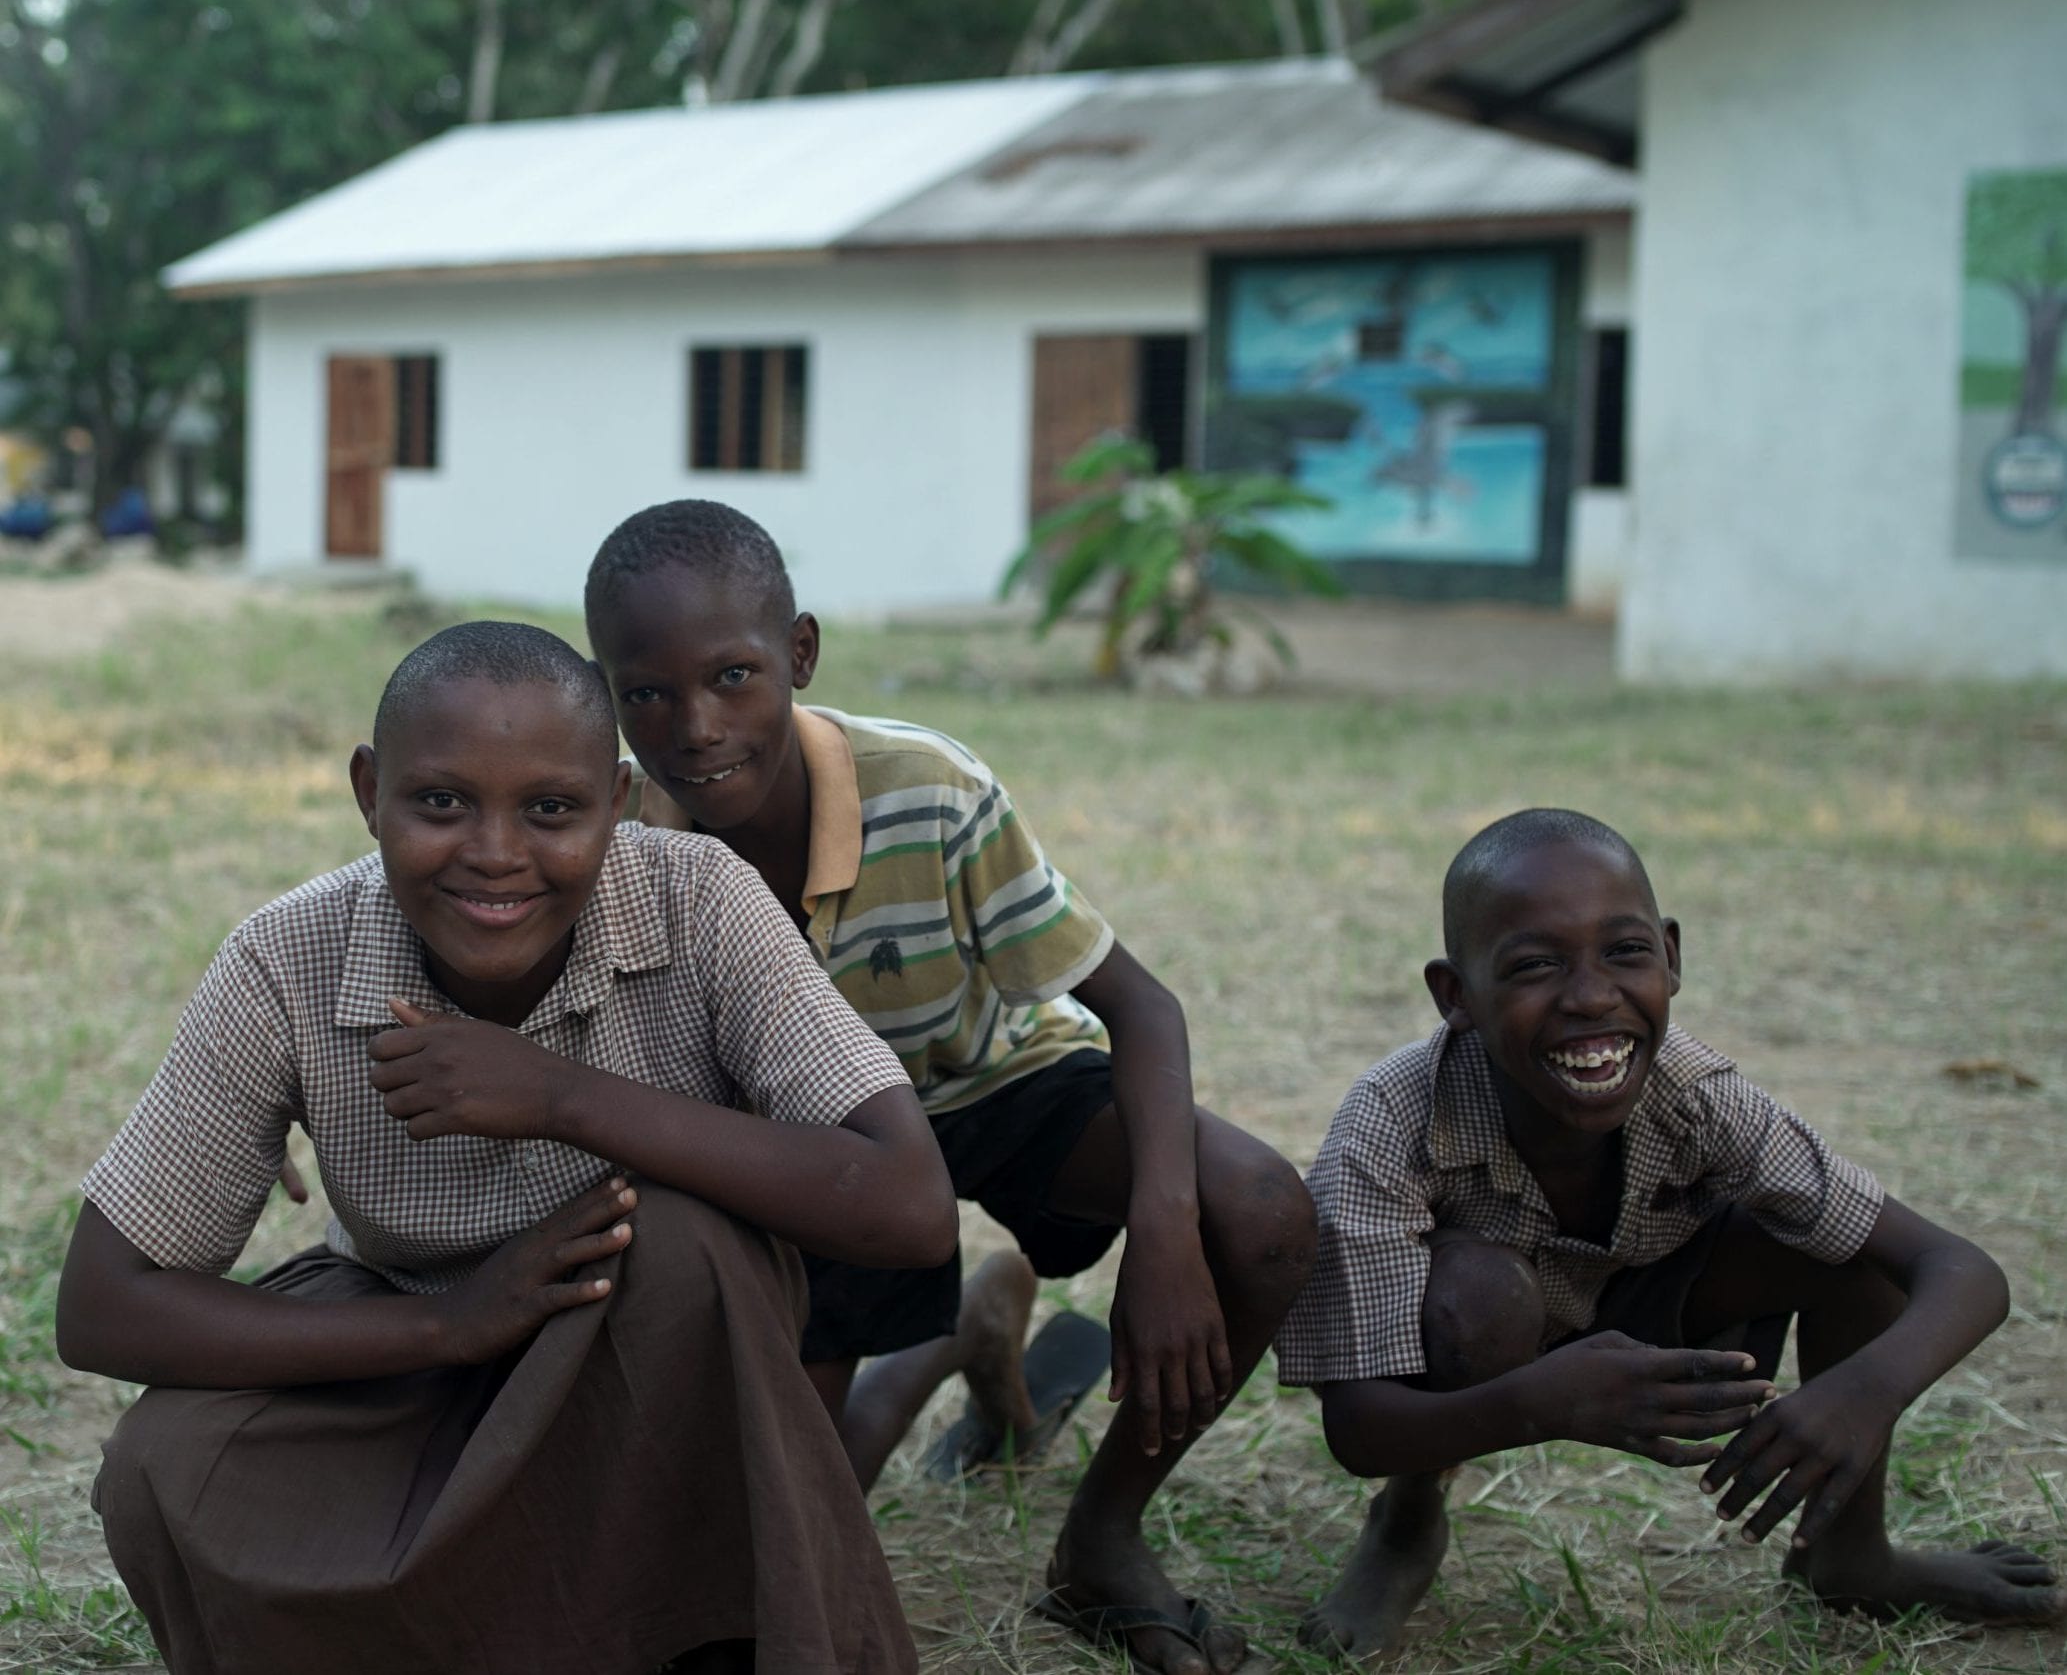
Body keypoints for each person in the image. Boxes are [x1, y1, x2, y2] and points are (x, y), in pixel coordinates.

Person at [57, 621, 957, 1675]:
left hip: (653, 1375)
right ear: (368, 790)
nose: (494, 853)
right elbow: (104, 1302)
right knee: (167, 1463)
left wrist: (560, 1097)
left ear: (616, 805)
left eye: (552, 809)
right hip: (415, 1351)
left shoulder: (702, 899)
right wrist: (449, 1324)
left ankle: (709, 1636)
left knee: (679, 1244)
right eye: (440, 802)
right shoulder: (287, 956)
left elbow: (907, 1205)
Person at [584, 500, 1317, 1675]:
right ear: (606, 694)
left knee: (1265, 1214)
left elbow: (1143, 1006)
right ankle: (957, 1333)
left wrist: (1166, 1235)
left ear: (802, 655)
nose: (698, 726)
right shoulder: (615, 841)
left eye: (734, 676)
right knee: (804, 1520)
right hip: (821, 1161)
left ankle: (1103, 1543)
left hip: (991, 1079)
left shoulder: (923, 786)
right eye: (648, 695)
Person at [1277, 807, 2063, 1659]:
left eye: (1624, 952)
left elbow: (1961, 1271)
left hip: (1640, 1300)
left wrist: (1860, 1394)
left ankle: (1851, 1556)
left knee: (1841, 1246)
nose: (1589, 997)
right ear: (1455, 995)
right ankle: (1407, 1518)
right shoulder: (1389, 1123)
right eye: (1534, 966)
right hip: (1476, 1343)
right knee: (1479, 1292)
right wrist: (1545, 1403)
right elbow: (1357, 1427)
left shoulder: (1694, 1091)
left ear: (1672, 958)